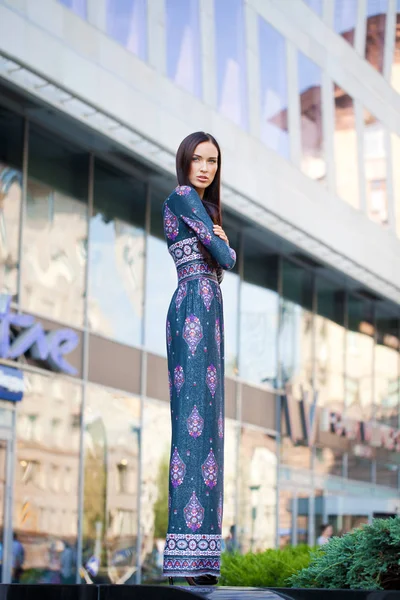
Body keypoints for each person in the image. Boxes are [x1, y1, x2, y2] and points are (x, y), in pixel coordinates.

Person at [162, 132, 236, 587]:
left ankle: (203, 559)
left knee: (208, 427)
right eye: (198, 159)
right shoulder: (183, 195)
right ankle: (188, 559)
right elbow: (225, 256)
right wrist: (221, 244)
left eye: (212, 161)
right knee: (192, 425)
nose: (205, 167)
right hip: (191, 309)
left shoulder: (203, 208)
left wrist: (218, 246)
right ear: (185, 163)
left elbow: (220, 261)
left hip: (207, 312)